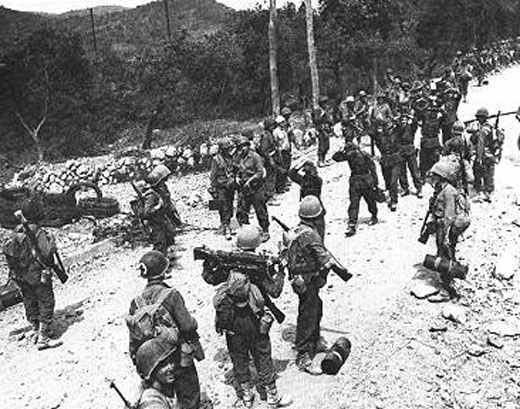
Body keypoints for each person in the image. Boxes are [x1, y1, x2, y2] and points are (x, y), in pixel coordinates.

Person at [208, 226, 292, 408]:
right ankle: (272, 395)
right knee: (262, 355)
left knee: (238, 357)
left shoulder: (228, 263)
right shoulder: (258, 266)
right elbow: (275, 291)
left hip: (231, 321)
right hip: (255, 320)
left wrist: (208, 263)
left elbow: (210, 278)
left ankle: (246, 395)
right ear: (256, 244)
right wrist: (280, 271)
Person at [128, 251, 203, 409]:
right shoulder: (171, 295)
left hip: (154, 361)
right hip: (177, 354)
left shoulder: (136, 302)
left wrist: (138, 360)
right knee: (189, 393)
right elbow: (187, 325)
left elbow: (134, 335)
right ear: (164, 271)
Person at [3, 199, 63, 350]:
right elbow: (47, 253)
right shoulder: (37, 231)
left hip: (21, 276)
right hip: (37, 274)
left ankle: (36, 328)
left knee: (30, 301)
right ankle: (43, 337)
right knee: (46, 301)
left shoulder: (17, 230)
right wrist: (52, 243)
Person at [287, 196, 334, 374]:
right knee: (308, 314)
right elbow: (325, 260)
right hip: (308, 280)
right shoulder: (311, 234)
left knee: (315, 307)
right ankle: (303, 354)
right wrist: (327, 270)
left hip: (301, 279)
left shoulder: (298, 230)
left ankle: (315, 341)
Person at [426, 162, 470, 302]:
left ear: (442, 177)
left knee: (444, 255)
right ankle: (452, 278)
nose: (432, 178)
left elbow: (449, 216)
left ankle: (446, 290)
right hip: (441, 226)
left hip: (446, 228)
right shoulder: (441, 189)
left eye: (435, 176)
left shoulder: (448, 191)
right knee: (446, 254)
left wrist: (444, 235)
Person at [333, 143, 379, 237]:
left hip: (366, 180)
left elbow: (373, 168)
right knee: (354, 203)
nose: (349, 153)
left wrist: (375, 183)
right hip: (355, 181)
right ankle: (352, 224)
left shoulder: (364, 155)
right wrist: (341, 151)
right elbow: (336, 158)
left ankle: (374, 216)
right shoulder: (349, 155)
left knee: (370, 201)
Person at [235, 136, 270, 242]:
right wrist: (237, 177)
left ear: (247, 146)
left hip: (256, 187)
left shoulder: (255, 157)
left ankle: (265, 230)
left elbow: (260, 172)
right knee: (242, 209)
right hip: (243, 187)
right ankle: (245, 231)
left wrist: (250, 181)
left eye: (244, 146)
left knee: (260, 209)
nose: (242, 149)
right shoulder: (238, 157)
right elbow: (236, 169)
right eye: (240, 147)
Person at [135, 336, 181, 409]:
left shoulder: (161, 391)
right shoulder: (153, 404)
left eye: (170, 361)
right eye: (163, 365)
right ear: (151, 372)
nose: (171, 367)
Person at [136, 180, 177, 258]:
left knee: (167, 238)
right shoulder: (150, 196)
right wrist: (158, 206)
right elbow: (147, 212)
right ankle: (157, 264)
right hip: (154, 224)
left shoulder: (151, 194)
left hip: (159, 221)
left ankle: (165, 260)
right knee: (160, 243)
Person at [288, 160, 326, 240]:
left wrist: (301, 166)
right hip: (309, 208)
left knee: (317, 234)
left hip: (314, 207)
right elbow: (291, 173)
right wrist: (301, 164)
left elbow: (292, 174)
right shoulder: (304, 180)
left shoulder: (316, 180)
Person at [209, 138, 236, 239]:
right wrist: (213, 187)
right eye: (226, 148)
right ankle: (226, 226)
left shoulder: (231, 157)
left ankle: (227, 222)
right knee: (222, 206)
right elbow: (213, 175)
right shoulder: (216, 159)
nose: (228, 150)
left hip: (230, 185)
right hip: (220, 186)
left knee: (230, 204)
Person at [467, 107, 495, 202]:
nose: (478, 119)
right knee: (489, 173)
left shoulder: (483, 130)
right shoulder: (491, 126)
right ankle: (489, 191)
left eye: (479, 117)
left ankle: (481, 191)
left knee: (478, 171)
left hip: (484, 155)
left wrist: (478, 158)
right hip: (491, 155)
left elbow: (481, 144)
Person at [146, 164, 182, 229]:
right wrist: (158, 206)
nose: (165, 181)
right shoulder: (151, 195)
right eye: (163, 180)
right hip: (157, 221)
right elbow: (147, 213)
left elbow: (167, 200)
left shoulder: (163, 188)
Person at [395, 113, 423, 198]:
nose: (403, 121)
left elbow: (416, 121)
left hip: (410, 149)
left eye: (405, 120)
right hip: (400, 151)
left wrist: (409, 116)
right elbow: (392, 123)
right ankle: (405, 188)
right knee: (402, 171)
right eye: (402, 120)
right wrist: (397, 118)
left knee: (414, 171)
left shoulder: (411, 127)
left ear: (407, 121)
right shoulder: (398, 128)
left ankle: (419, 189)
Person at [417, 97, 443, 181]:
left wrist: (441, 110)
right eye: (432, 111)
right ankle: (423, 178)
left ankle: (434, 179)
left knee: (434, 161)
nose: (434, 113)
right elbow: (419, 111)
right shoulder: (425, 117)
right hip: (425, 142)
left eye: (435, 111)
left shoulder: (439, 120)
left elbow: (447, 116)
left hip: (434, 142)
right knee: (423, 162)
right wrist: (426, 105)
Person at [272, 115, 292, 194]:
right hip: (281, 152)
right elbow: (276, 143)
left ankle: (284, 184)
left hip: (286, 151)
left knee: (286, 167)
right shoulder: (276, 132)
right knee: (281, 170)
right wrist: (279, 153)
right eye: (282, 122)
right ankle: (279, 187)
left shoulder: (284, 130)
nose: (284, 123)